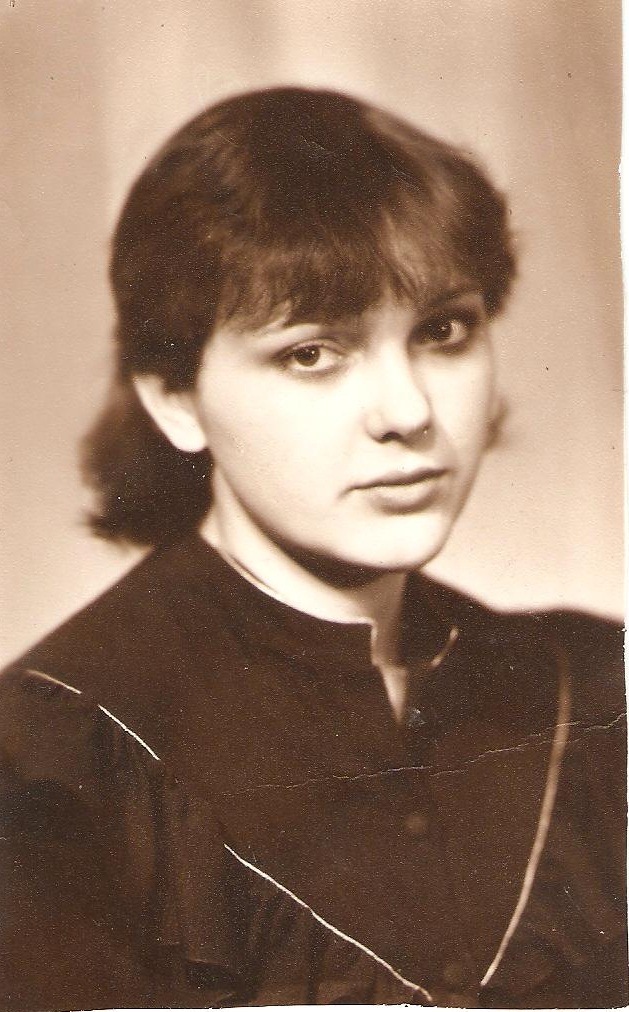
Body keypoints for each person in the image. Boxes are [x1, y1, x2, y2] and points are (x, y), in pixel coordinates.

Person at [0, 86, 626, 1010]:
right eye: (311, 353)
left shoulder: (593, 688)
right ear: (175, 398)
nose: (407, 411)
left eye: (442, 332)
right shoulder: (56, 757)